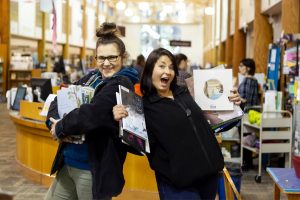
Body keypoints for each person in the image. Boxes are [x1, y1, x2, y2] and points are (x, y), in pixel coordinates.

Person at [113, 48, 241, 200]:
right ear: (149, 70)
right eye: (161, 66)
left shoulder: (185, 92)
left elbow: (218, 120)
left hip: (208, 175)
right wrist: (119, 121)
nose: (167, 71)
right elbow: (137, 145)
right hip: (178, 185)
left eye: (171, 67)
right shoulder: (142, 106)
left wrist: (235, 105)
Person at [45, 22, 139, 200]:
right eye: (101, 58)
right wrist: (53, 122)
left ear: (123, 57)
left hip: (92, 168)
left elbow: (91, 113)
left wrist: (61, 127)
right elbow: (60, 99)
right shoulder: (91, 77)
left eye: (112, 57)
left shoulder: (122, 83)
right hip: (68, 162)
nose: (106, 63)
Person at [238, 58, 259, 171]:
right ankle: (248, 162)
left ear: (248, 68)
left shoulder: (247, 80)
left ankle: (247, 163)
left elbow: (244, 99)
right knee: (248, 138)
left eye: (242, 66)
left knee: (245, 138)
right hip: (251, 113)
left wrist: (234, 95)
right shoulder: (254, 80)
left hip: (245, 113)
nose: (239, 68)